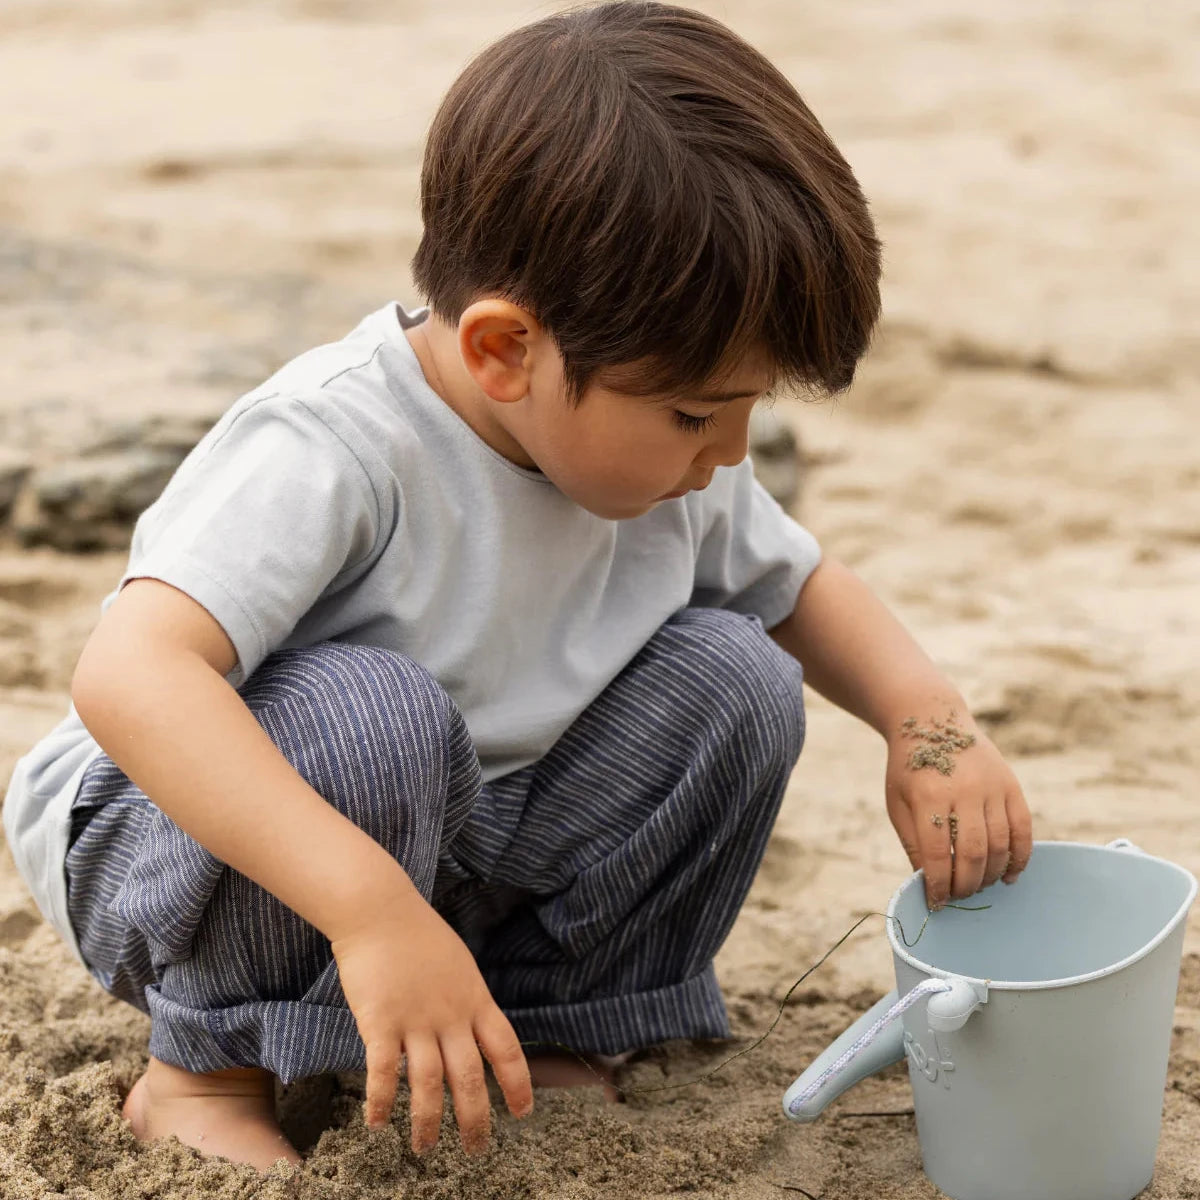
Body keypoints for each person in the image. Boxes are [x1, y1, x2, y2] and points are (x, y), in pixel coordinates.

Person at [2, 0, 1033, 1175]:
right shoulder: (335, 447)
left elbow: (800, 588)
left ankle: (543, 1022)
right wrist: (368, 910)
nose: (731, 452)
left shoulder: (665, 464)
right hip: (181, 844)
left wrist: (927, 723)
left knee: (737, 678)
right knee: (372, 717)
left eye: (752, 409)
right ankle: (207, 1068)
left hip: (454, 827)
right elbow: (131, 678)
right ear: (506, 350)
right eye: (700, 412)